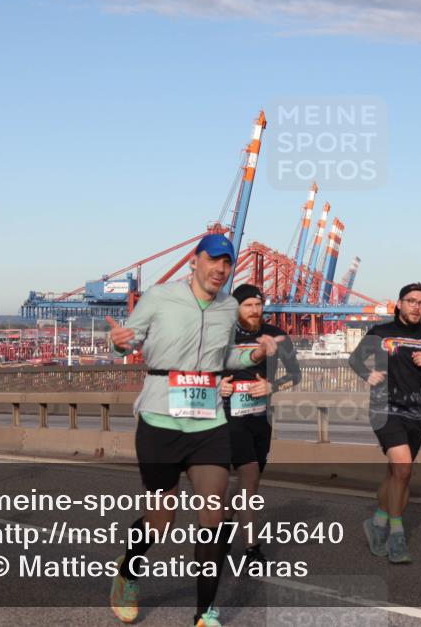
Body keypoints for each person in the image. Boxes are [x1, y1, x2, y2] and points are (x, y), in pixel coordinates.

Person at [107, 233, 278, 627]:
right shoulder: (159, 296)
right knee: (161, 519)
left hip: (209, 422)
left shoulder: (228, 307)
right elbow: (127, 339)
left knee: (213, 515)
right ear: (195, 261)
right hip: (160, 419)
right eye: (214, 260)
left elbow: (224, 356)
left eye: (227, 263)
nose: (220, 269)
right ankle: (129, 569)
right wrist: (117, 343)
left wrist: (252, 353)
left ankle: (205, 614)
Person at [348, 282, 421, 564]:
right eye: (411, 301)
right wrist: (367, 375)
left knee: (398, 475)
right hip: (385, 409)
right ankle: (397, 536)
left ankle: (378, 522)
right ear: (399, 303)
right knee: (404, 468)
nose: (416, 307)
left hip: (417, 413)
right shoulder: (381, 332)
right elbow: (355, 359)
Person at [218, 283, 300, 565]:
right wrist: (219, 386)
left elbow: (295, 375)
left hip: (261, 418)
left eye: (258, 304)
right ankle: (253, 550)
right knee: (250, 479)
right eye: (248, 305)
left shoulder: (276, 335)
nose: (255, 310)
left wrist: (272, 386)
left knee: (247, 483)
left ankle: (223, 530)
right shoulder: (224, 335)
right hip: (230, 417)